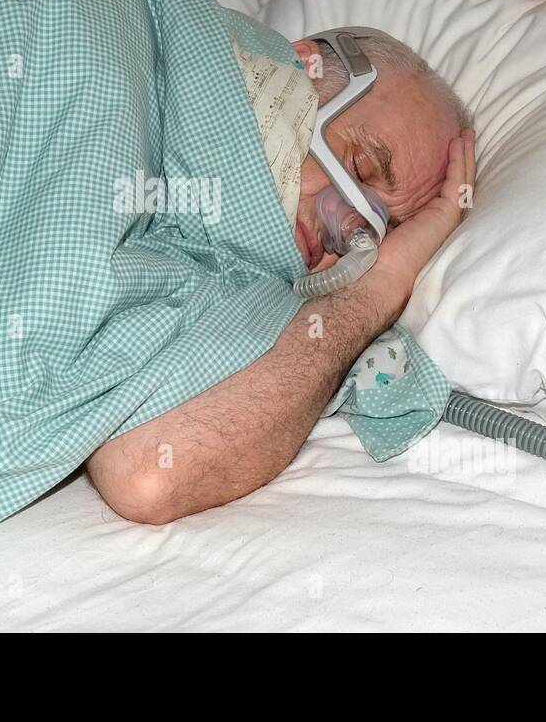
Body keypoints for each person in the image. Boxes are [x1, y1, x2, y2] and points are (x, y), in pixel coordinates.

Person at [87, 31, 477, 524]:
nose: (344, 223)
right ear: (303, 68)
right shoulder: (129, 57)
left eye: (376, 228)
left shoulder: (228, 290)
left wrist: (382, 286)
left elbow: (147, 470)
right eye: (359, 164)